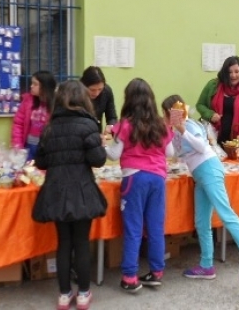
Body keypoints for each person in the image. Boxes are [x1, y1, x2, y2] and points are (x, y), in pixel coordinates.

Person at [161, 95, 239, 283]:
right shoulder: (176, 131)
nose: (167, 117)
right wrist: (166, 131)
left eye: (167, 114)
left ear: (176, 111)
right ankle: (206, 265)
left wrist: (182, 129)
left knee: (225, 213)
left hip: (208, 169)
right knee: (201, 222)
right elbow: (173, 154)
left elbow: (201, 146)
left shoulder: (189, 125)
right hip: (200, 176)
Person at [31, 80, 107, 310]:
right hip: (82, 191)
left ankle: (64, 295)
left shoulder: (49, 128)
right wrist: (100, 145)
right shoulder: (88, 125)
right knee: (81, 243)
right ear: (83, 99)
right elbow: (98, 160)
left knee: (63, 244)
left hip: (56, 191)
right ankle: (83, 294)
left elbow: (41, 161)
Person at [105, 78, 174, 293]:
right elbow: (170, 153)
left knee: (133, 229)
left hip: (134, 179)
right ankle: (157, 272)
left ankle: (130, 276)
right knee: (155, 227)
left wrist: (102, 144)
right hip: (157, 179)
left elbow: (114, 154)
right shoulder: (161, 125)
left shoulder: (125, 125)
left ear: (129, 100)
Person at [196, 56, 239, 144]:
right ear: (225, 73)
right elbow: (200, 105)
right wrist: (210, 114)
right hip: (214, 139)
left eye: (237, 71)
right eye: (229, 72)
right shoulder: (213, 85)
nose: (233, 75)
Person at [11, 70, 56, 160]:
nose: (31, 86)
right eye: (32, 83)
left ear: (45, 86)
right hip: (29, 147)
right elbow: (18, 124)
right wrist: (17, 146)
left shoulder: (56, 104)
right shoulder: (28, 101)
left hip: (47, 149)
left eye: (35, 84)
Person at [79, 66, 117, 133]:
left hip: (97, 134)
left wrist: (111, 125)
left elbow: (112, 117)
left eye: (100, 89)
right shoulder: (76, 93)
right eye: (92, 90)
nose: (97, 93)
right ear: (83, 85)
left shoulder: (106, 91)